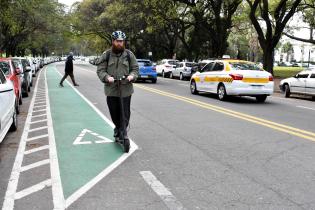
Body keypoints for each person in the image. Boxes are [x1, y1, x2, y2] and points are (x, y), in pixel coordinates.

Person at [96, 31, 139, 139]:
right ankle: (117, 127)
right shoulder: (106, 55)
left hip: (126, 89)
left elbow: (135, 69)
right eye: (117, 41)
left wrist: (132, 76)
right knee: (114, 112)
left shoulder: (129, 55)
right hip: (111, 90)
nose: (120, 43)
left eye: (121, 41)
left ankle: (123, 131)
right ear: (113, 41)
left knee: (125, 113)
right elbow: (100, 70)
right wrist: (107, 77)